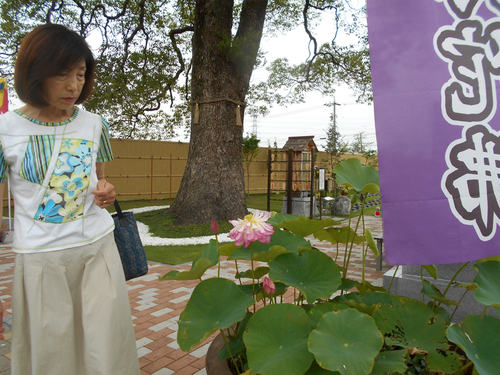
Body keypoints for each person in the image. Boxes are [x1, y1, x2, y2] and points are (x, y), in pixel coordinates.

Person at [0, 24, 141, 375]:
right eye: (62, 74)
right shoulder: (5, 130)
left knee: (106, 344)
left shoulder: (94, 123)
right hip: (41, 259)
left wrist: (107, 192)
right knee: (53, 352)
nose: (73, 85)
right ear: (35, 73)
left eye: (80, 74)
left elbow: (101, 180)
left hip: (97, 250)